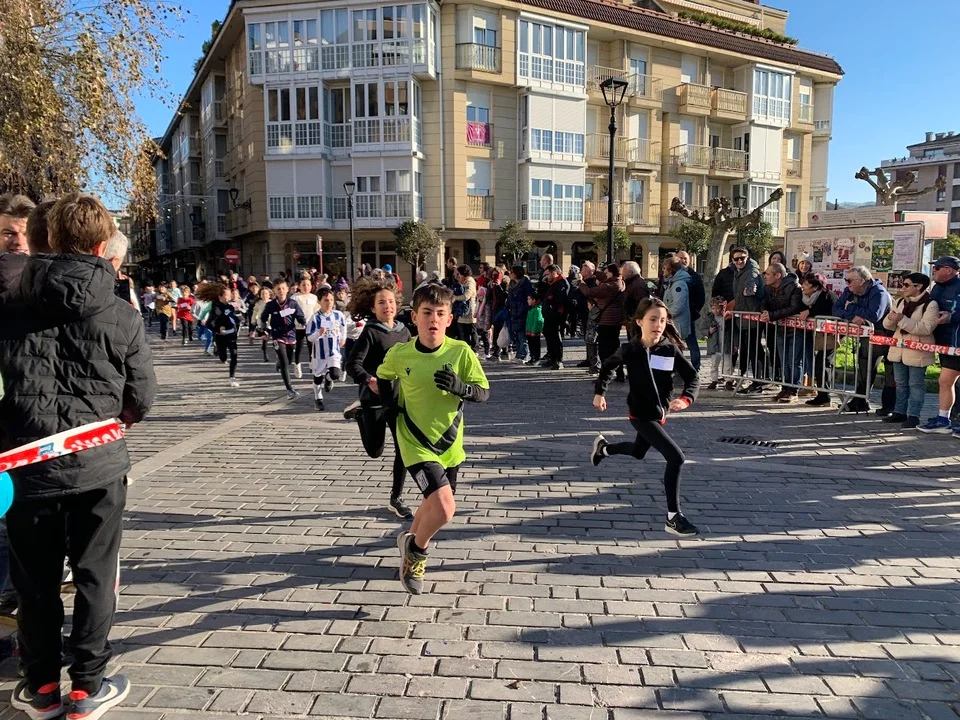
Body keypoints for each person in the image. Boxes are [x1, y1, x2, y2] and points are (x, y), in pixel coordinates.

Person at [0, 192, 156, 719]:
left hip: (26, 469)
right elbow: (142, 397)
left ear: (45, 238)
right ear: (99, 244)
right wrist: (110, 423)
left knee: (34, 581)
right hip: (97, 465)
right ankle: (88, 686)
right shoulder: (121, 313)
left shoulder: (7, 308)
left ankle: (40, 685)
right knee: (95, 574)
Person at [377, 284, 490, 594]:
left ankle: (407, 540)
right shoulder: (400, 354)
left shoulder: (461, 352)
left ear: (449, 319)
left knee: (433, 503)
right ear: (415, 317)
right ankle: (417, 553)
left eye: (440, 314)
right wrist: (388, 405)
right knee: (444, 509)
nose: (433, 320)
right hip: (414, 441)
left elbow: (483, 392)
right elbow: (384, 375)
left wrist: (461, 388)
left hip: (449, 444)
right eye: (427, 313)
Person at [590, 298, 700, 536]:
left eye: (662, 320)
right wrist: (600, 392)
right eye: (653, 319)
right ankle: (673, 518)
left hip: (659, 414)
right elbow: (607, 366)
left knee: (638, 452)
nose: (658, 325)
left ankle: (603, 449)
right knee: (676, 458)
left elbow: (693, 377)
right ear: (639, 322)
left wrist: (686, 399)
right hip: (640, 414)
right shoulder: (630, 350)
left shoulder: (670, 350)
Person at [343, 278, 414, 519]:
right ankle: (360, 414)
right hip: (373, 398)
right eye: (381, 302)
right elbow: (352, 364)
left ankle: (396, 497)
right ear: (373, 307)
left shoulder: (404, 331)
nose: (387, 306)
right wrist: (369, 380)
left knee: (403, 448)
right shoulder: (371, 332)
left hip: (398, 399)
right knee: (375, 451)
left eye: (391, 301)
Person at [882, 272, 938, 429]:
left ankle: (914, 415)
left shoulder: (930, 304)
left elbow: (926, 328)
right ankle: (899, 412)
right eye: (902, 284)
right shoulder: (900, 301)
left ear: (918, 286)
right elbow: (888, 325)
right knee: (900, 383)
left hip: (918, 350)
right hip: (899, 349)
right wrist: (890, 319)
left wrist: (902, 319)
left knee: (915, 384)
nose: (903, 288)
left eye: (906, 285)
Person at [832, 266, 892, 413]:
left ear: (862, 281)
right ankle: (860, 401)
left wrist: (851, 307)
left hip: (884, 336)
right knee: (864, 367)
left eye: (850, 280)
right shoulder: (850, 290)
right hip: (866, 336)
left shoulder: (879, 292)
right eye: (846, 280)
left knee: (889, 372)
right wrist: (852, 316)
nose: (847, 283)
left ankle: (889, 406)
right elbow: (836, 309)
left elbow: (874, 316)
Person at [919, 256, 960, 434]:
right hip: (945, 343)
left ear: (949, 270)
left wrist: (951, 317)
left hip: (957, 342)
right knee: (945, 381)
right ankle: (943, 419)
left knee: (946, 381)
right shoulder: (936, 287)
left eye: (937, 267)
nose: (933, 271)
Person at [759, 262, 804, 403]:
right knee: (783, 360)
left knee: (794, 361)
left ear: (778, 275)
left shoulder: (794, 287)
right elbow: (763, 302)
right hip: (780, 328)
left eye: (767, 274)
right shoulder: (768, 288)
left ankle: (793, 390)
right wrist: (765, 312)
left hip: (795, 329)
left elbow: (794, 308)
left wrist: (772, 315)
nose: (765, 276)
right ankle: (785, 388)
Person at [797, 273, 839, 407]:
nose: (803, 286)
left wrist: (811, 311)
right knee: (817, 363)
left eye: (806, 284)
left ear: (815, 287)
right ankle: (821, 393)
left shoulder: (828, 296)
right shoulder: (804, 297)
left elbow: (830, 312)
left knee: (824, 362)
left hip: (829, 334)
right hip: (814, 334)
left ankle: (824, 395)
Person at [727, 247, 765, 394]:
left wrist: (749, 290)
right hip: (742, 318)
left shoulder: (752, 271)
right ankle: (748, 381)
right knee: (746, 351)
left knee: (755, 351)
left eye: (742, 258)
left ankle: (758, 382)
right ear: (732, 260)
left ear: (747, 258)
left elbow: (751, 287)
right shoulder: (737, 272)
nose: (739, 261)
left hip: (752, 318)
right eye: (736, 259)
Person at [262, 279, 306, 399]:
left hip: (291, 335)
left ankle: (279, 363)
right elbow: (263, 317)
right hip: (278, 336)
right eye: (278, 289)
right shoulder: (271, 305)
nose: (281, 291)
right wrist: (263, 328)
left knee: (289, 360)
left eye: (283, 288)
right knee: (284, 362)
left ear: (287, 289)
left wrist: (303, 322)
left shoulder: (293, 303)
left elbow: (300, 315)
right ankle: (290, 389)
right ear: (274, 291)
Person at [581, 262, 625, 380]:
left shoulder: (608, 286)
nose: (604, 274)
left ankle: (605, 375)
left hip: (607, 322)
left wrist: (580, 282)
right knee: (615, 348)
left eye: (606, 272)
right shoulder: (620, 282)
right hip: (615, 321)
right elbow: (603, 277)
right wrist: (593, 271)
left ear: (611, 273)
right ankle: (619, 373)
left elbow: (589, 292)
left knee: (604, 350)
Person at [306, 288, 347, 411]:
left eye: (331, 300)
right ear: (319, 301)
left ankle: (329, 378)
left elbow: (343, 327)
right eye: (326, 300)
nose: (329, 303)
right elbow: (309, 337)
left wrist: (343, 339)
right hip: (319, 353)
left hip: (334, 351)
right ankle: (318, 399)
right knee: (317, 377)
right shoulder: (315, 318)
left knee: (335, 374)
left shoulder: (338, 315)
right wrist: (318, 334)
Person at [200, 283, 241, 388]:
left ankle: (232, 377)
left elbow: (233, 318)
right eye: (227, 295)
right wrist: (218, 329)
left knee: (234, 355)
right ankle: (218, 350)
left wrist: (239, 319)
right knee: (223, 356)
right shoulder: (216, 308)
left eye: (230, 295)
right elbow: (209, 323)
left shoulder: (231, 307)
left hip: (231, 334)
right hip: (220, 336)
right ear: (220, 297)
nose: (229, 297)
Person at [661, 256, 694, 367]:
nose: (663, 271)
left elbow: (679, 305)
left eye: (664, 268)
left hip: (677, 324)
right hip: (674, 322)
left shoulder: (678, 284)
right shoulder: (673, 282)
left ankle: (680, 371)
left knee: (676, 350)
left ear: (670, 270)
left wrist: (666, 316)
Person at [676, 250, 705, 370]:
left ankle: (695, 367)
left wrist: (693, 311)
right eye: (680, 258)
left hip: (688, 315)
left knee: (691, 342)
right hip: (674, 315)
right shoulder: (672, 274)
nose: (683, 260)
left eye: (685, 258)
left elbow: (701, 297)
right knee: (675, 342)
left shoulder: (695, 276)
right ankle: (678, 368)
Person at [540, 264, 569, 370]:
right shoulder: (553, 284)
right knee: (549, 335)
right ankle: (552, 358)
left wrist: (552, 304)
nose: (546, 277)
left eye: (548, 274)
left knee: (555, 337)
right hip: (549, 315)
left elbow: (560, 299)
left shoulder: (562, 283)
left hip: (556, 315)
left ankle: (558, 360)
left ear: (554, 273)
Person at [292, 278, 319, 379]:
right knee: (299, 347)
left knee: (311, 346)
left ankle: (312, 364)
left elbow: (317, 310)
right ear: (299, 286)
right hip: (299, 326)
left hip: (311, 326)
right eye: (303, 285)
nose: (306, 287)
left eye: (308, 285)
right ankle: (297, 365)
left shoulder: (314, 297)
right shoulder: (295, 297)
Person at [506, 266, 532, 363]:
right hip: (513, 312)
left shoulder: (525, 284)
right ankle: (518, 354)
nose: (510, 274)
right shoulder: (512, 284)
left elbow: (529, 297)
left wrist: (524, 308)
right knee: (515, 334)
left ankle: (523, 355)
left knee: (522, 335)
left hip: (522, 312)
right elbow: (509, 298)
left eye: (512, 272)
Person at [620, 261, 650, 342]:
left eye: (624, 271)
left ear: (630, 272)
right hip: (632, 320)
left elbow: (641, 304)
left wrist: (633, 318)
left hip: (635, 321)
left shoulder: (638, 284)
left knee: (636, 343)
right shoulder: (632, 283)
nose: (622, 273)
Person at [704, 296, 728, 390]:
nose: (716, 311)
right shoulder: (709, 317)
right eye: (713, 308)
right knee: (714, 364)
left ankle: (729, 380)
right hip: (714, 345)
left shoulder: (726, 317)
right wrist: (708, 331)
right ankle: (714, 380)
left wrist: (735, 343)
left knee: (727, 364)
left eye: (718, 308)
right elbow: (702, 329)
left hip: (726, 344)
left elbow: (734, 330)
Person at [452, 265, 478, 349]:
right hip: (462, 311)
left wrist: (455, 298)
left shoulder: (470, 282)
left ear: (463, 274)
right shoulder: (463, 281)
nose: (458, 276)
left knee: (472, 331)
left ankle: (474, 348)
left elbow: (466, 296)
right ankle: (465, 347)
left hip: (469, 311)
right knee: (463, 332)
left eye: (459, 274)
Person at [251, 287, 273, 362]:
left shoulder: (273, 302)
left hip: (271, 323)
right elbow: (255, 312)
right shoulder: (258, 303)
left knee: (274, 339)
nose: (264, 295)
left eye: (266, 293)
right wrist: (253, 320)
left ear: (269, 294)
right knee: (265, 340)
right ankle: (265, 354)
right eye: (262, 294)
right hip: (262, 324)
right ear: (260, 295)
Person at [523, 293, 544, 365]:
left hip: (534, 332)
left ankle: (536, 358)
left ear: (534, 300)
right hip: (529, 331)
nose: (528, 301)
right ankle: (532, 358)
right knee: (531, 345)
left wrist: (534, 331)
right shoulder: (531, 309)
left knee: (535, 346)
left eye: (529, 299)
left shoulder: (537, 309)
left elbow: (538, 321)